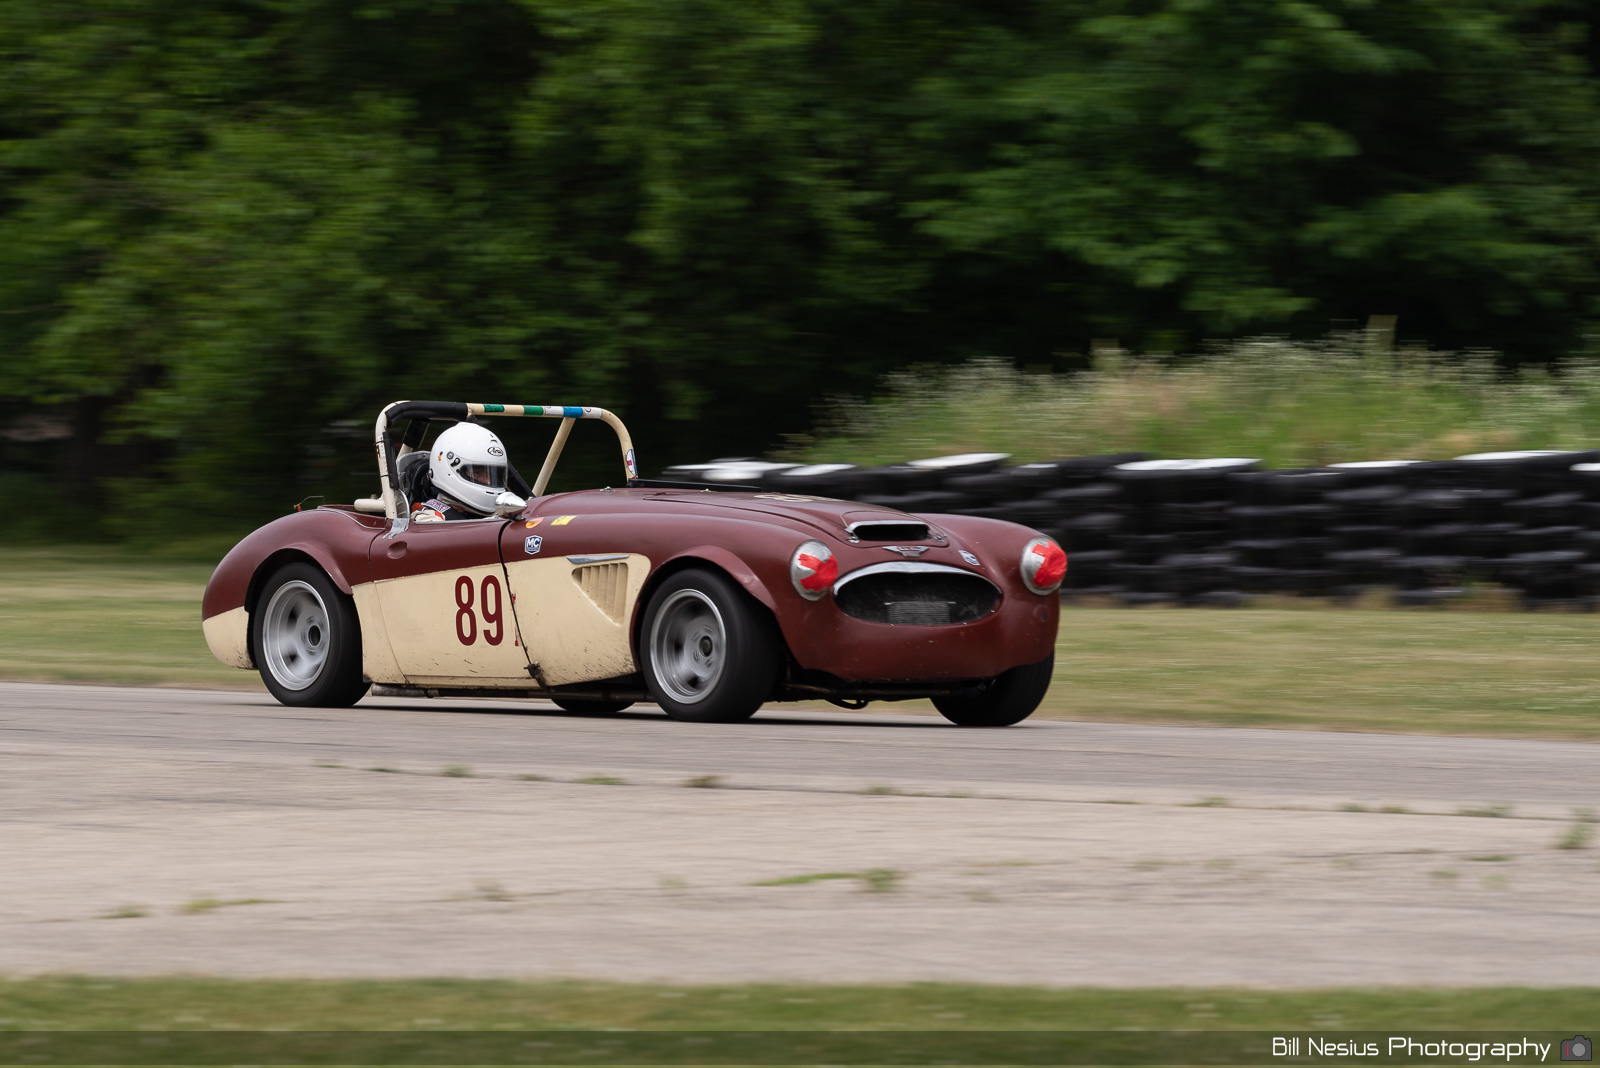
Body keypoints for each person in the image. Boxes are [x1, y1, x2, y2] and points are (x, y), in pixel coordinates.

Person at [411, 422, 521, 522]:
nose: (488, 481)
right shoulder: (428, 519)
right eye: (477, 473)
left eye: (493, 475)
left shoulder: (509, 512)